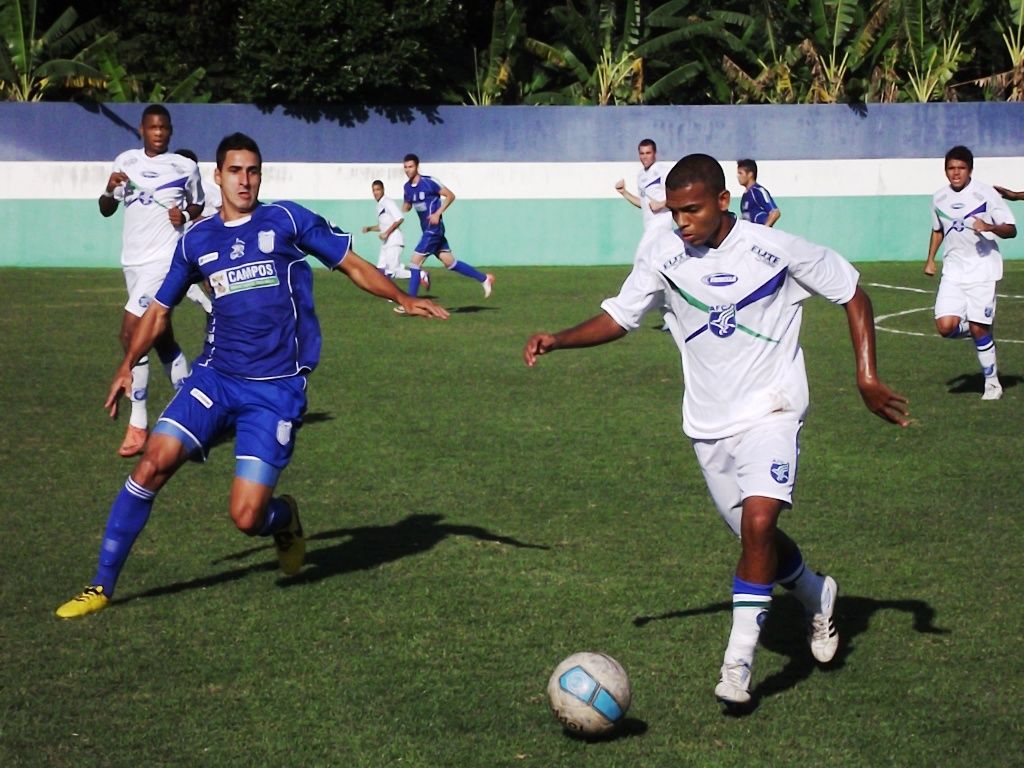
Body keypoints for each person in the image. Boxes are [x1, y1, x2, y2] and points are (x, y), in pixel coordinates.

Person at [524, 153, 909, 709]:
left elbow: (851, 292)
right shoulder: (663, 254)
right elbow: (620, 316)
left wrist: (866, 376)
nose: (681, 222)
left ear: (722, 201)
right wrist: (558, 338)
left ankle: (737, 665)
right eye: (676, 211)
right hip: (707, 425)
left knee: (759, 521)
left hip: (772, 410)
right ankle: (814, 591)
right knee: (758, 540)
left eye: (692, 211)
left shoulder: (773, 250)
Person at [56, 132, 449, 619]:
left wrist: (404, 298)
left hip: (275, 389)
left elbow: (350, 263)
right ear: (217, 175)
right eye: (236, 171)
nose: (245, 180)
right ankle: (101, 586)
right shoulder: (197, 239)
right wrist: (124, 364)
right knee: (151, 463)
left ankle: (283, 518)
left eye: (253, 170)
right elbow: (159, 311)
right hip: (215, 379)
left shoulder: (284, 219)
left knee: (246, 517)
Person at [101, 105, 206, 458]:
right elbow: (106, 208)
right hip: (132, 262)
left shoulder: (184, 167)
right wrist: (107, 190)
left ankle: (139, 424)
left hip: (164, 261)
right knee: (161, 340)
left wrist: (185, 214)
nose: (158, 132)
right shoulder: (126, 162)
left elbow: (198, 205)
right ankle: (195, 415)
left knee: (130, 334)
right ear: (142, 129)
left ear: (170, 131)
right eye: (152, 127)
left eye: (164, 127)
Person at [924, 145, 1017, 401]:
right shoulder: (938, 198)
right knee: (945, 327)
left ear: (970, 170)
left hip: (983, 270)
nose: (956, 173)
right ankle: (982, 330)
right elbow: (938, 229)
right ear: (945, 171)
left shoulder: (985, 194)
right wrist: (931, 259)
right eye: (951, 168)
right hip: (953, 272)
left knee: (978, 328)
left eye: (961, 168)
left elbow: (1011, 229)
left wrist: (988, 226)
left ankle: (992, 384)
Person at [401, 153, 494, 306]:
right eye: (405, 167)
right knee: (450, 263)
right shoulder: (407, 188)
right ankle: (484, 278)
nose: (408, 170)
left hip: (434, 229)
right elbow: (408, 206)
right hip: (427, 230)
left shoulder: (429, 182)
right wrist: (403, 208)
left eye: (410, 166)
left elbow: (450, 195)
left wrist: (438, 213)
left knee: (414, 263)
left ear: (417, 167)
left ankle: (409, 303)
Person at [361, 179, 429, 290]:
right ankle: (388, 293)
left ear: (383, 190)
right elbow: (383, 226)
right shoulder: (379, 205)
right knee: (381, 269)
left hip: (394, 241)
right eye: (374, 190)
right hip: (386, 243)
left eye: (378, 189)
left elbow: (399, 218)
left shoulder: (387, 202)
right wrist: (370, 228)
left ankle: (420, 275)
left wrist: (387, 233)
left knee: (394, 271)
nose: (376, 192)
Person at [615, 138, 674, 232]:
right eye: (642, 153)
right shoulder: (641, 175)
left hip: (663, 228)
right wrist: (624, 192)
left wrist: (661, 204)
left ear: (655, 153)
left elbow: (679, 197)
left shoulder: (664, 171)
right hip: (649, 229)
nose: (645, 157)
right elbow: (643, 203)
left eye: (648, 153)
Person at [736, 159, 780, 227]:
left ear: (750, 174)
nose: (738, 176)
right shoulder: (745, 195)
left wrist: (764, 230)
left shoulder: (758, 191)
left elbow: (775, 213)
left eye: (740, 173)